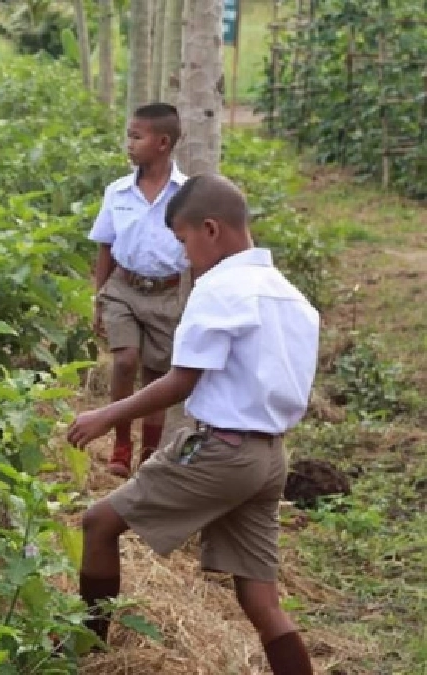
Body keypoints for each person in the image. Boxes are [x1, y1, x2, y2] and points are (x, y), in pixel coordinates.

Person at [67, 174, 320, 675]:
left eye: (183, 242)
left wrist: (105, 415)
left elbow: (181, 382)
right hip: (270, 458)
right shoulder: (292, 298)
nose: (184, 257)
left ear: (210, 229)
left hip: (221, 451)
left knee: (98, 524)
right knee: (261, 601)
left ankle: (83, 657)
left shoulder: (219, 289)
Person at [88, 103, 189, 478]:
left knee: (156, 377)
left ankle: (148, 454)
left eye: (136, 137)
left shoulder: (186, 194)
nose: (129, 144)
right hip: (123, 289)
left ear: (163, 143)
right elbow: (105, 247)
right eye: (128, 136)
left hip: (166, 294)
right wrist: (99, 298)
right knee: (125, 360)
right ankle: (120, 443)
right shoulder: (117, 192)